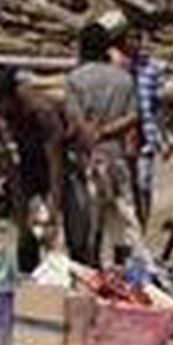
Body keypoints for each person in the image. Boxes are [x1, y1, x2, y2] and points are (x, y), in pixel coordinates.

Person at [65, 22, 148, 268]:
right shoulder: (124, 79)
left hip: (87, 158)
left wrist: (92, 134)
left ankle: (92, 277)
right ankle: (124, 275)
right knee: (123, 221)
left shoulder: (75, 79)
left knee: (91, 224)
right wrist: (107, 132)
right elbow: (134, 116)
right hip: (117, 156)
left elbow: (75, 117)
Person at [0, 62, 68, 274]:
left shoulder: (42, 112)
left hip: (53, 167)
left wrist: (55, 200)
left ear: (9, 96)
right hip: (23, 169)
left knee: (56, 232)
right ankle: (28, 279)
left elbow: (56, 160)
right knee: (26, 233)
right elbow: (5, 158)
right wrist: (19, 205)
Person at [122, 27, 166, 231]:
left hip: (145, 135)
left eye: (136, 38)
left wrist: (163, 134)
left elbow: (161, 105)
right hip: (120, 135)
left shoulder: (153, 68)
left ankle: (143, 224)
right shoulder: (118, 67)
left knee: (143, 183)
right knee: (125, 187)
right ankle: (130, 227)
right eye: (129, 38)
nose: (133, 43)